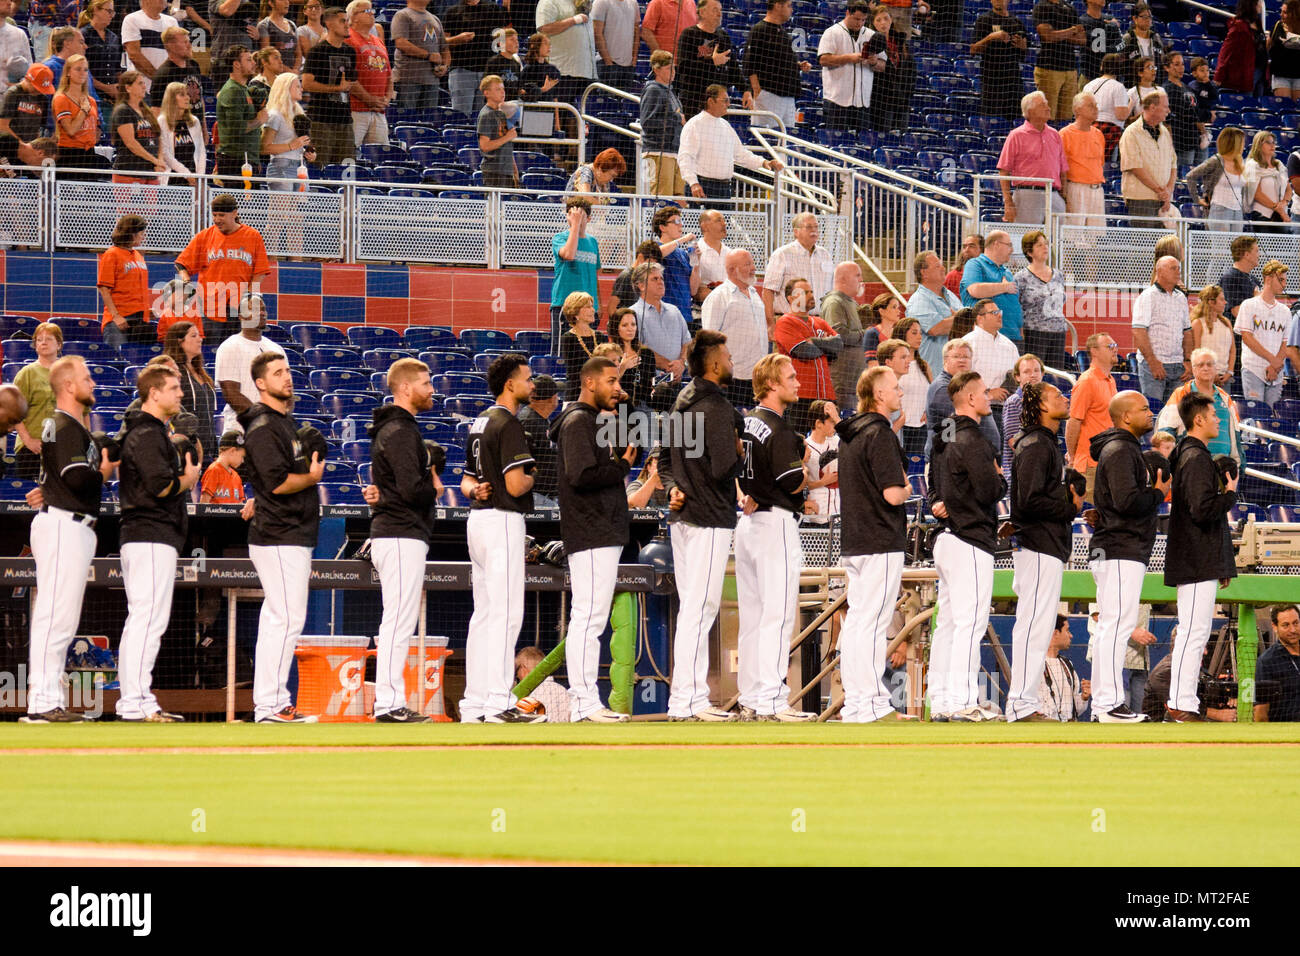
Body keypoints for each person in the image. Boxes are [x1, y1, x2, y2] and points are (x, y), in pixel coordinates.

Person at [21, 356, 116, 723]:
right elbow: (77, 479)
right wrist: (104, 472)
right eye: (86, 377)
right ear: (69, 386)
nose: (92, 382)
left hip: (69, 524)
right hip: (62, 525)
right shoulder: (62, 424)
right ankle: (43, 702)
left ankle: (49, 698)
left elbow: (62, 479)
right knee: (54, 616)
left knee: (61, 616)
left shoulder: (71, 426)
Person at [547, 355, 636, 722]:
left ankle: (585, 702)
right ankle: (584, 703)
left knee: (591, 616)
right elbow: (583, 475)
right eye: (611, 381)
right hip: (592, 529)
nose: (618, 388)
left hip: (599, 529)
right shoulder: (579, 421)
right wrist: (622, 467)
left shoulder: (592, 421)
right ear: (589, 382)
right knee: (589, 617)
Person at [238, 352, 323, 723]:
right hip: (279, 533)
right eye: (277, 373)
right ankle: (271, 705)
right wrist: (312, 477)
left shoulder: (281, 423)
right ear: (260, 383)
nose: (286, 377)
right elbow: (276, 482)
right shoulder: (263, 426)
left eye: (287, 370)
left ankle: (271, 703)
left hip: (288, 532)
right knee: (285, 618)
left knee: (282, 617)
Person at [660, 330, 740, 722]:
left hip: (684, 517)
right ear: (712, 363)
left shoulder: (680, 404)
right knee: (700, 607)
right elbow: (725, 467)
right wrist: (741, 451)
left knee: (693, 607)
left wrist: (675, 488)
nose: (730, 360)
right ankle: (689, 699)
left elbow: (663, 463)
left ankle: (686, 698)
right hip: (709, 517)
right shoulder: (718, 409)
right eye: (725, 354)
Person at [730, 354, 815, 721]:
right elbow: (792, 481)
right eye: (791, 377)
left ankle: (751, 696)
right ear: (772, 385)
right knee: (777, 616)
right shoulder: (779, 428)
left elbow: (735, 468)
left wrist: (750, 491)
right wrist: (807, 469)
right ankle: (773, 700)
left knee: (752, 616)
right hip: (775, 524)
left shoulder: (745, 422)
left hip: (747, 525)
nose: (797, 383)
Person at [459, 354, 543, 723]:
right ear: (510, 384)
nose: (532, 384)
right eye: (527, 379)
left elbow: (465, 482)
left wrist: (476, 491)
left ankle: (475, 703)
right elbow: (515, 483)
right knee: (506, 614)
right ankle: (498, 702)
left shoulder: (479, 421)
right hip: (503, 522)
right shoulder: (508, 423)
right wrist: (533, 476)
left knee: (484, 615)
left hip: (478, 521)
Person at [357, 358, 440, 724]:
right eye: (425, 383)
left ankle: (389, 700)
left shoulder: (394, 429)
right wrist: (433, 487)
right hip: (401, 533)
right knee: (397, 621)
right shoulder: (402, 431)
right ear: (405, 388)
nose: (432, 389)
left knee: (396, 620)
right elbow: (412, 489)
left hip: (396, 532)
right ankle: (389, 702)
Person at [115, 365, 199, 723]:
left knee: (148, 619)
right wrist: (188, 478)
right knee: (146, 619)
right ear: (154, 393)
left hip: (151, 536)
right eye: (174, 387)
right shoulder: (147, 434)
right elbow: (161, 486)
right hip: (149, 533)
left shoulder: (153, 432)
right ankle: (134, 702)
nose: (180, 393)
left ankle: (138, 700)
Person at [835, 366, 913, 721]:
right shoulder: (880, 434)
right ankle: (869, 703)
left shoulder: (850, 434)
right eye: (894, 388)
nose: (899, 393)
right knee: (871, 624)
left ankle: (859, 701)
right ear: (878, 394)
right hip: (880, 538)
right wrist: (910, 488)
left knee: (858, 623)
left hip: (856, 539)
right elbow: (894, 494)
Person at [927, 371, 1006, 722]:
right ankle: (961, 701)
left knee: (948, 623)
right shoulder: (974, 438)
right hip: (970, 538)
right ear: (971, 400)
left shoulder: (943, 435)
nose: (988, 398)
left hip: (946, 538)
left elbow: (934, 484)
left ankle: (942, 700)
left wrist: (939, 501)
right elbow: (991, 489)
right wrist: (1000, 477)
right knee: (969, 624)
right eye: (984, 393)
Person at [1087, 390, 1169, 723]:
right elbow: (1125, 501)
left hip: (1119, 547)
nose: (1151, 413)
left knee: (1115, 625)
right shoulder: (1121, 449)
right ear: (1125, 417)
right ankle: (1107, 704)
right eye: (1144, 409)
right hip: (1120, 547)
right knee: (1115, 626)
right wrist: (1158, 494)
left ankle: (1106, 704)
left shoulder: (1122, 448)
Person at [1005, 380, 1080, 722]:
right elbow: (1029, 501)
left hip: (1043, 546)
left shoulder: (1044, 442)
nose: (1063, 399)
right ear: (1040, 407)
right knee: (1033, 626)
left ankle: (1022, 703)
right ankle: (1021, 704)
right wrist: (1070, 506)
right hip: (1036, 545)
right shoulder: (1036, 443)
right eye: (1055, 396)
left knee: (1036, 625)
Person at [1161, 391, 1237, 723]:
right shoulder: (1195, 458)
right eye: (1214, 414)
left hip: (1197, 559)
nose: (1219, 419)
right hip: (1195, 560)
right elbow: (1203, 509)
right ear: (1199, 420)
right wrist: (1230, 493)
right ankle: (1180, 704)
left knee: (1195, 632)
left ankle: (1182, 702)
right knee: (1193, 633)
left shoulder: (1192, 455)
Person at [174, 196, 271, 345]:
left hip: (239, 306)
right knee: (210, 350)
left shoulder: (253, 236)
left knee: (238, 347)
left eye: (221, 215)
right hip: (210, 306)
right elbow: (181, 264)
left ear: (234, 213)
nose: (217, 219)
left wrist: (249, 297)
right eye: (214, 215)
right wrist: (186, 281)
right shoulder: (204, 236)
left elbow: (260, 271)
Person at [678, 84, 783, 203]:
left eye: (729, 100)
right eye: (725, 100)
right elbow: (685, 157)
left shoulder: (726, 126)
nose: (728, 104)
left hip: (724, 188)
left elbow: (741, 154)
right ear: (711, 101)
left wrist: (764, 162)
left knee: (723, 222)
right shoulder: (694, 125)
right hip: (702, 187)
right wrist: (693, 183)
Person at [772, 277, 840, 435]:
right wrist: (824, 346)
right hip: (799, 397)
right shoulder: (785, 322)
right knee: (797, 444)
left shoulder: (820, 322)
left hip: (826, 395)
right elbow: (804, 351)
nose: (810, 295)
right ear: (791, 298)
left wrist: (814, 341)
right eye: (804, 292)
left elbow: (838, 345)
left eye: (811, 292)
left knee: (829, 443)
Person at [701, 248, 768, 409]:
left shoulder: (754, 293)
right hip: (732, 378)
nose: (753, 268)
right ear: (732, 270)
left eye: (752, 263)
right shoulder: (718, 297)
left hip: (757, 377)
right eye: (747, 264)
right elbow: (708, 340)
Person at [214, 292, 285, 431]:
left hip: (274, 428)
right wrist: (263, 418)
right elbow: (231, 394)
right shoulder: (230, 346)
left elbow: (286, 390)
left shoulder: (277, 349)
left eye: (263, 309)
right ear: (241, 316)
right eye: (256, 310)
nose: (262, 313)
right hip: (240, 428)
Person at [997, 90, 1068, 227]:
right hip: (1027, 195)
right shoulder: (1016, 135)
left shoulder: (1055, 135)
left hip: (1054, 195)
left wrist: (1064, 197)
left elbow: (1063, 170)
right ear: (1030, 112)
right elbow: (1004, 170)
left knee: (1056, 240)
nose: (1048, 108)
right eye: (1043, 105)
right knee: (1027, 239)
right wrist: (1008, 202)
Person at [923, 338, 999, 459]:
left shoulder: (965, 386)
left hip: (972, 457)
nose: (962, 360)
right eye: (957, 356)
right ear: (945, 360)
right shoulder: (942, 388)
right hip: (948, 461)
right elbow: (968, 416)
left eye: (966, 357)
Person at [301, 7, 358, 167]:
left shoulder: (350, 52)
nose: (347, 24)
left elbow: (350, 83)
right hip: (321, 120)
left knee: (347, 168)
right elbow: (306, 83)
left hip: (345, 119)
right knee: (320, 166)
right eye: (342, 21)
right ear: (329, 24)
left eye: (347, 20)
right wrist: (337, 88)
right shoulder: (317, 51)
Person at [1132, 255, 1192, 405]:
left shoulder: (1181, 298)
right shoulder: (1147, 297)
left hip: (1178, 366)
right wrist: (1152, 361)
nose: (1178, 271)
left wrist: (1188, 360)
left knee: (1175, 414)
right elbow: (1139, 331)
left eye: (1179, 268)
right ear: (1159, 271)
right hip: (1154, 365)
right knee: (1153, 411)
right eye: (1173, 268)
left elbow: (1187, 331)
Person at [672, 0, 745, 120]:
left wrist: (745, 90)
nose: (719, 14)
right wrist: (712, 62)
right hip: (694, 101)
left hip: (718, 102)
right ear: (702, 12)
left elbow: (733, 68)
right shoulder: (689, 34)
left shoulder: (723, 37)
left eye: (720, 10)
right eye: (715, 10)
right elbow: (683, 66)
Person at [1234, 258, 1291, 409]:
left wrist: (1275, 364)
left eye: (1285, 280)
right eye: (1281, 280)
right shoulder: (1249, 305)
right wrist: (1273, 360)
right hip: (1253, 368)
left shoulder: (1285, 311)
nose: (1284, 284)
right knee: (1255, 413)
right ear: (1268, 278)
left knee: (1272, 416)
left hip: (1276, 372)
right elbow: (1247, 337)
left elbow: (1286, 342)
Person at [819, 0, 882, 133]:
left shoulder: (871, 35)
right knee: (834, 143)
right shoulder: (832, 32)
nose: (859, 23)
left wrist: (874, 62)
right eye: (856, 19)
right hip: (836, 101)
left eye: (863, 20)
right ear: (848, 13)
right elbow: (823, 60)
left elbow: (883, 65)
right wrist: (849, 58)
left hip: (863, 102)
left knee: (862, 145)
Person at [743, 0, 808, 131]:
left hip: (788, 95)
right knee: (767, 139)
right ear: (778, 5)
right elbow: (749, 63)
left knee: (786, 141)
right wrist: (758, 92)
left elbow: (777, 61)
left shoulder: (783, 33)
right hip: (769, 95)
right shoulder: (759, 30)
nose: (792, 10)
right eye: (789, 6)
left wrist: (798, 65)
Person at [962, 297, 1019, 443]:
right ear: (980, 318)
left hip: (1006, 411)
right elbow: (960, 381)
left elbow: (1017, 376)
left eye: (999, 311)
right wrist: (988, 394)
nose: (999, 315)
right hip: (977, 413)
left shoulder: (1009, 345)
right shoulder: (968, 343)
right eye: (994, 312)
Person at [1065, 332, 1116, 494]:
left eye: (1115, 346)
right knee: (1090, 516)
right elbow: (1073, 422)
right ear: (1094, 351)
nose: (1115, 350)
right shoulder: (1087, 381)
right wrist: (1073, 457)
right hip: (1089, 466)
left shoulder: (1110, 379)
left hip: (1106, 462)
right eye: (1110, 346)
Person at [763, 212, 835, 324]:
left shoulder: (825, 255)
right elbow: (768, 291)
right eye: (809, 227)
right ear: (796, 232)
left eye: (816, 227)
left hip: (819, 322)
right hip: (789, 321)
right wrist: (770, 324)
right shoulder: (782, 254)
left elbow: (831, 291)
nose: (814, 230)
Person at [11, 322, 62, 480]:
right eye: (39, 340)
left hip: (60, 446)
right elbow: (14, 411)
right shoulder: (26, 373)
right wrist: (28, 440)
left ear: (59, 344)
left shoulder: (67, 373)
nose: (43, 343)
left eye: (48, 339)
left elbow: (80, 410)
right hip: (31, 447)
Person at [163, 320, 218, 464]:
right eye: (194, 336)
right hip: (186, 449)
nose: (200, 339)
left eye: (199, 335)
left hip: (208, 451)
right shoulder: (174, 374)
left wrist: (215, 450)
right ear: (179, 341)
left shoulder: (201, 373)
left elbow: (210, 415)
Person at [549, 195, 600, 348]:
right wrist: (575, 226)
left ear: (589, 219)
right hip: (565, 306)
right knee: (562, 352)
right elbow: (569, 255)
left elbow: (595, 274)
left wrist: (598, 305)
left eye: (581, 216)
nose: (576, 218)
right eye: (572, 215)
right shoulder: (560, 238)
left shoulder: (593, 242)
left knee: (588, 352)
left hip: (590, 308)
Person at [96, 215, 154, 349]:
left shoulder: (138, 255)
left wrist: (145, 309)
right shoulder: (112, 254)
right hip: (119, 320)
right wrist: (116, 316)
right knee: (119, 359)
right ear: (132, 234)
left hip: (140, 320)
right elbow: (104, 289)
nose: (143, 237)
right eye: (141, 234)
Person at [1014, 230, 1068, 372]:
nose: (1045, 247)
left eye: (1046, 244)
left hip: (1058, 331)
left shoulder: (1058, 275)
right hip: (1034, 332)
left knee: (1056, 376)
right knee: (1035, 374)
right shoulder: (1021, 277)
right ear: (1029, 252)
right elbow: (1017, 306)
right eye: (1039, 245)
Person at [1118, 89, 1175, 224]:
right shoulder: (1131, 133)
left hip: (1163, 200)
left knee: (1163, 243)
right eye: (1165, 107)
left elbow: (1174, 164)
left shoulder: (1165, 132)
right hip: (1140, 199)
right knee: (1144, 242)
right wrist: (1159, 190)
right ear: (1153, 107)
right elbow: (1135, 167)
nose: (1168, 110)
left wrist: (1167, 192)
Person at [959, 229, 1021, 346]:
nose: (1012, 250)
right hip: (986, 337)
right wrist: (1004, 287)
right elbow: (975, 290)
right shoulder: (975, 264)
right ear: (996, 244)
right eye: (1009, 245)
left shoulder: (1007, 272)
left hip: (1013, 338)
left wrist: (1020, 330)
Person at [213, 47, 267, 180]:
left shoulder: (244, 89)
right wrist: (260, 120)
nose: (254, 63)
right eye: (249, 60)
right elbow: (237, 128)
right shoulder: (233, 90)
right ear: (236, 64)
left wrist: (255, 159)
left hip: (247, 160)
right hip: (235, 162)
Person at [1060, 91, 1106, 246]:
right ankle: (1068, 271)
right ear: (1078, 110)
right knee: (1072, 238)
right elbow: (1062, 168)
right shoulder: (1065, 134)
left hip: (1097, 189)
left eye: (1096, 105)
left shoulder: (1099, 134)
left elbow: (1101, 162)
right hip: (1076, 188)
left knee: (1094, 240)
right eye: (1091, 105)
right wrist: (1065, 193)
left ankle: (1091, 271)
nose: (1096, 108)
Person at [632, 261, 690, 381]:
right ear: (641, 286)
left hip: (679, 378)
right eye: (655, 279)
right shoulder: (632, 314)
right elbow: (636, 347)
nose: (661, 282)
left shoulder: (674, 311)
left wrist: (681, 364)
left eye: (661, 278)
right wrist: (670, 367)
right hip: (649, 382)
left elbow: (687, 342)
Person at [970, 0, 1028, 119]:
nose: (998, 1)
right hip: (991, 79)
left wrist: (1022, 45)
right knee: (991, 118)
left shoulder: (1016, 22)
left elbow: (1024, 52)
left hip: (1013, 79)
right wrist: (991, 37)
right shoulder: (984, 20)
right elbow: (973, 49)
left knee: (1016, 118)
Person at [344, 0, 391, 147]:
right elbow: (347, 76)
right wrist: (369, 99)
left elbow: (389, 74)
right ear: (354, 17)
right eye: (367, 11)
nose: (372, 13)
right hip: (355, 110)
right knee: (350, 157)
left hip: (379, 111)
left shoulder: (378, 41)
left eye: (372, 10)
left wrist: (386, 100)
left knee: (380, 157)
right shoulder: (347, 39)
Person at [821, 261, 866, 412]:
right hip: (843, 386)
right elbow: (837, 336)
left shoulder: (850, 302)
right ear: (843, 279)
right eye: (857, 275)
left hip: (853, 385)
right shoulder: (835, 302)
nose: (861, 280)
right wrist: (863, 335)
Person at [535, 0, 595, 109]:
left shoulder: (586, 3)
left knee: (577, 117)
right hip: (561, 72)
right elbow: (544, 28)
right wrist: (573, 20)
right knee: (560, 114)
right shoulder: (549, 2)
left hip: (585, 72)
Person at [907, 251, 960, 374]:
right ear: (924, 273)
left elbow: (969, 323)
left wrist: (956, 320)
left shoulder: (950, 295)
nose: (943, 268)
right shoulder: (918, 300)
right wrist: (961, 318)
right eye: (937, 266)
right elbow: (936, 328)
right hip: (933, 374)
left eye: (941, 264)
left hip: (955, 374)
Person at [1186, 126, 1248, 231]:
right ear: (1234, 144)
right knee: (1220, 247)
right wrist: (1197, 199)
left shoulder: (1240, 162)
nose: (1244, 145)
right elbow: (1190, 176)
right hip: (1220, 209)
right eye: (1242, 142)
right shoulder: (1216, 160)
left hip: (1238, 211)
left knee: (1237, 247)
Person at [641, 49, 685, 197]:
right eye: (669, 68)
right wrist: (677, 119)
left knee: (678, 198)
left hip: (673, 151)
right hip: (658, 152)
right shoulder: (653, 90)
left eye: (674, 68)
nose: (673, 72)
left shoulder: (671, 92)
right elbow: (647, 122)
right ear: (656, 70)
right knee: (661, 197)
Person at [390, 0, 447, 112]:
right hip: (407, 80)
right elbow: (401, 43)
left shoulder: (435, 19)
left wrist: (445, 66)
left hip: (431, 81)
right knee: (406, 119)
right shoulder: (402, 15)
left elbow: (444, 48)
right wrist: (428, 55)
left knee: (428, 122)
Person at [261, 70, 313, 191]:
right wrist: (291, 146)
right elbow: (264, 148)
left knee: (299, 209)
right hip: (281, 167)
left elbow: (302, 144)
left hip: (300, 167)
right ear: (286, 88)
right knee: (282, 210)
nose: (302, 89)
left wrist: (310, 153)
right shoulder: (275, 115)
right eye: (297, 86)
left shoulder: (299, 114)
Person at [1032, 0, 1083, 121]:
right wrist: (1072, 31)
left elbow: (1082, 39)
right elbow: (1048, 36)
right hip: (1049, 68)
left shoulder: (1070, 8)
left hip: (1070, 69)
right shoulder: (1042, 7)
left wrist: (1060, 34)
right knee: (1047, 117)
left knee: (1066, 119)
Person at [649, 204, 699, 319]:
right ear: (662, 227)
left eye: (681, 221)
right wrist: (682, 239)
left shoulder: (683, 254)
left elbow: (693, 290)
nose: (680, 225)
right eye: (676, 221)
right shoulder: (655, 246)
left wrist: (697, 263)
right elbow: (657, 254)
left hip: (684, 314)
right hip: (663, 314)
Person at [151, 27, 206, 130]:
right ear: (171, 46)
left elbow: (200, 100)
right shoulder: (163, 75)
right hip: (177, 132)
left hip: (196, 128)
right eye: (184, 42)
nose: (189, 46)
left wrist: (204, 129)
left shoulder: (194, 65)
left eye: (189, 41)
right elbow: (156, 110)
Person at [0, 61, 52, 169]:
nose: (38, 91)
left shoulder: (43, 99)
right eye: (36, 88)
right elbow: (2, 125)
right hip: (11, 150)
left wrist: (33, 149)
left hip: (29, 154)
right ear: (28, 79)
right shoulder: (13, 94)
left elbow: (38, 129)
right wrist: (22, 145)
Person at [1037, 615, 1090, 721]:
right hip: (1043, 730)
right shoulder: (1034, 666)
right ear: (1055, 633)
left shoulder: (1067, 665)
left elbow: (1074, 709)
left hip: (1067, 731)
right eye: (1067, 630)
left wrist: (1084, 697)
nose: (1071, 636)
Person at [517, 373, 559, 505]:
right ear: (552, 399)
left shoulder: (540, 419)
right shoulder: (529, 421)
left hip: (545, 496)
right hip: (535, 496)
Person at [122, 0, 180, 93]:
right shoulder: (132, 19)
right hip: (141, 90)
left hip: (168, 89)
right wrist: (160, 80)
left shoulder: (172, 22)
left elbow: (178, 55)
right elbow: (134, 55)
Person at [1255, 605, 1300, 722]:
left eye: (1296, 623)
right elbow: (1261, 712)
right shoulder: (1267, 662)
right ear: (1274, 626)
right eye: (1286, 625)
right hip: (1285, 731)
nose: (1293, 630)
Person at [1081, 53, 1130, 161]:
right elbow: (1121, 115)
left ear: (1102, 66)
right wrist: (1131, 103)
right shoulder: (1118, 87)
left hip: (1088, 127)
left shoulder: (1089, 85)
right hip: (1109, 130)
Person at [1000, 351, 1042, 476]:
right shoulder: (1014, 402)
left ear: (1042, 373)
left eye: (1036, 370)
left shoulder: (1046, 401)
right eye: (1027, 372)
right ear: (1017, 377)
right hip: (1020, 472)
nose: (1033, 375)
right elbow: (1014, 442)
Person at [591, 0, 648, 90]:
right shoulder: (601, 2)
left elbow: (636, 31)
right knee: (606, 102)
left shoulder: (633, 3)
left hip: (628, 66)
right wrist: (608, 61)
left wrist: (633, 60)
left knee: (626, 101)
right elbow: (597, 33)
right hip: (607, 65)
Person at [1243, 130, 1292, 233]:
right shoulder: (1252, 165)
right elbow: (1256, 193)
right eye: (1268, 142)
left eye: (1274, 142)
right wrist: (1279, 210)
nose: (1272, 145)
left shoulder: (1279, 165)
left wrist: (1284, 203)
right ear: (1259, 144)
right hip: (1262, 215)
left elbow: (1288, 189)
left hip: (1281, 215)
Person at [157, 80, 205, 185]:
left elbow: (201, 152)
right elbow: (165, 154)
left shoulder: (194, 121)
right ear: (172, 99)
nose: (187, 97)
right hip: (172, 179)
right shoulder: (162, 121)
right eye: (182, 95)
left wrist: (200, 177)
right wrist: (186, 174)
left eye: (187, 94)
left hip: (193, 179)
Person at [557, 291, 603, 400]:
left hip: (598, 393)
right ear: (575, 313)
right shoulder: (568, 338)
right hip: (576, 394)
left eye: (592, 306)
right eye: (588, 307)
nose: (593, 310)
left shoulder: (600, 336)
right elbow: (574, 372)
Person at [608, 308, 656, 412]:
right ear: (616, 328)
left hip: (645, 407)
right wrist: (623, 367)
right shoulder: (610, 354)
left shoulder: (647, 353)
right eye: (625, 325)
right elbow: (606, 384)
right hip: (619, 407)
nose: (630, 329)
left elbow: (651, 384)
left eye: (633, 324)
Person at [1186, 286, 1235, 387]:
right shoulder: (1198, 323)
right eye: (1221, 299)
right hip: (1204, 377)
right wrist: (1211, 373)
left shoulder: (1226, 323)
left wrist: (1229, 372)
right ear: (1211, 302)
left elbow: (1232, 350)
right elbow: (1197, 352)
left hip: (1224, 378)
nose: (1225, 302)